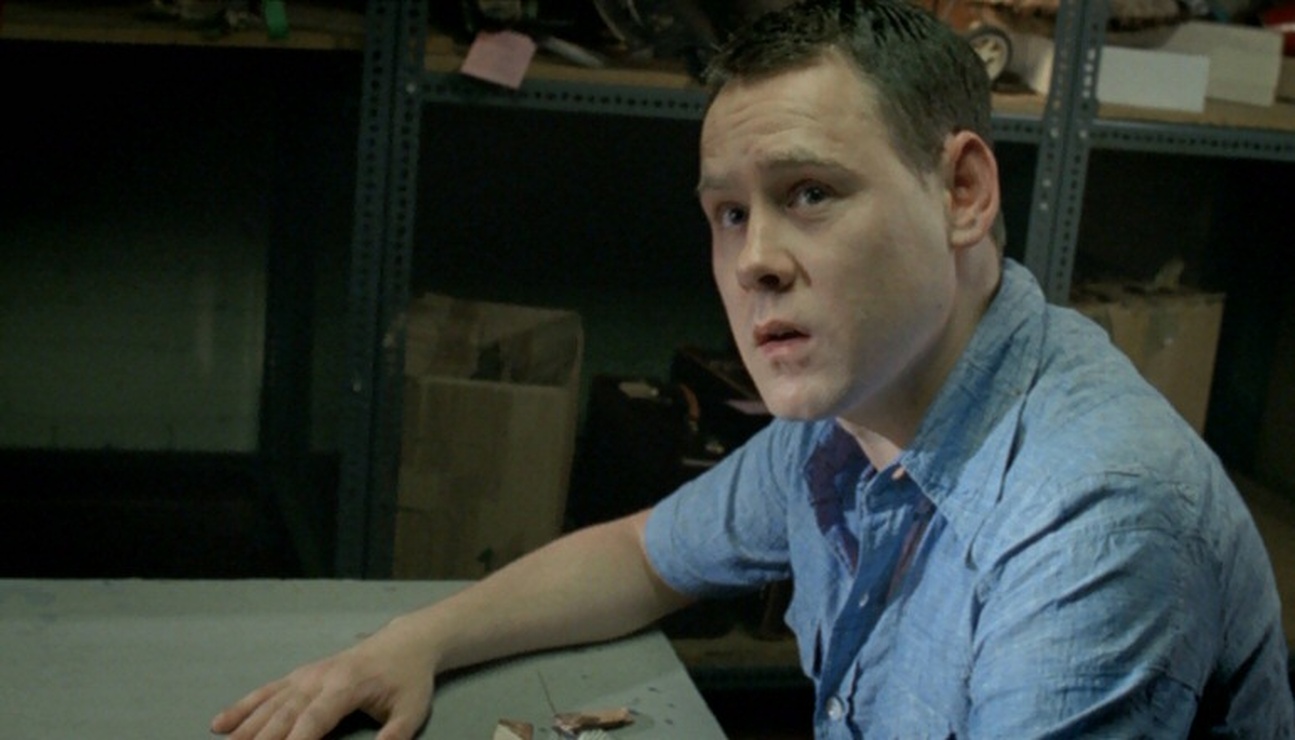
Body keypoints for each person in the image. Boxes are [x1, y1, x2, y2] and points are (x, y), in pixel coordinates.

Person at [211, 0, 1294, 737]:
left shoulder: (1093, 523)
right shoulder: (852, 418)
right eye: (728, 213)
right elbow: (643, 554)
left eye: (808, 193)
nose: (753, 261)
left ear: (962, 192)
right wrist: (416, 641)